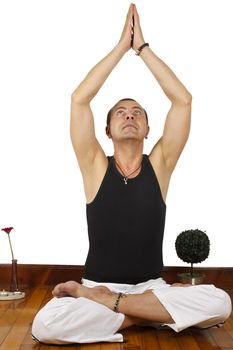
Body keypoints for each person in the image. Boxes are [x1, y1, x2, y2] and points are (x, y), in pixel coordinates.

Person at [32, 3, 232, 345]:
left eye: (137, 112)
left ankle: (117, 312)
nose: (129, 116)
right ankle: (148, 316)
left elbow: (183, 100)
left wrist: (142, 48)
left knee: (221, 303)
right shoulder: (95, 166)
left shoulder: (160, 165)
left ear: (148, 128)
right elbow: (79, 100)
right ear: (107, 130)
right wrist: (120, 48)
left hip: (147, 288)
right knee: (45, 326)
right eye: (121, 113)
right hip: (98, 285)